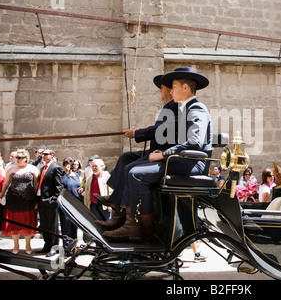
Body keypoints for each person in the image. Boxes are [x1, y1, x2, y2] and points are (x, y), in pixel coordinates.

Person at [103, 66, 213, 242]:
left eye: (174, 86)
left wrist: (163, 155)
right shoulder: (186, 108)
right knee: (131, 166)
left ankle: (144, 227)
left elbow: (195, 141)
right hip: (182, 160)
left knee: (136, 174)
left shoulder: (197, 108)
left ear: (185, 88)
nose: (171, 91)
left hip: (191, 164)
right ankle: (130, 219)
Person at [94, 74, 179, 231]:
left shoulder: (176, 108)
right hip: (153, 152)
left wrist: (138, 134)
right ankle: (116, 205)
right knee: (126, 158)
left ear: (171, 90)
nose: (160, 90)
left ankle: (128, 220)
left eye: (162, 87)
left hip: (163, 155)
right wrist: (142, 131)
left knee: (131, 169)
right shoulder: (167, 108)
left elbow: (162, 130)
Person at [0, 150, 38, 254]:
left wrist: (37, 200)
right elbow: (6, 184)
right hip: (13, 200)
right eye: (17, 157)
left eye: (20, 157)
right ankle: (16, 245)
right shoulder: (11, 169)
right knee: (14, 223)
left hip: (28, 200)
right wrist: (0, 195)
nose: (18, 159)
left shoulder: (33, 169)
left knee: (27, 222)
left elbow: (36, 186)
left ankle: (28, 245)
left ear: (26, 158)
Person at [36, 148, 64, 257]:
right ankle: (47, 245)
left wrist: (53, 200)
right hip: (41, 200)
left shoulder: (55, 168)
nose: (43, 155)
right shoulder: (43, 167)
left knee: (52, 226)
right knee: (44, 225)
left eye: (46, 154)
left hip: (50, 201)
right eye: (42, 154)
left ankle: (55, 247)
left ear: (52, 155)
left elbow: (59, 186)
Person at [60, 157, 81, 243]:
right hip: (66, 202)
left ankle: (74, 243)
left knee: (74, 224)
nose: (68, 167)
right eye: (66, 165)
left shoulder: (76, 175)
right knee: (66, 224)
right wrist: (67, 174)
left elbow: (78, 185)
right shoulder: (62, 175)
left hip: (75, 202)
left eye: (70, 165)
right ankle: (66, 245)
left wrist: (81, 189)